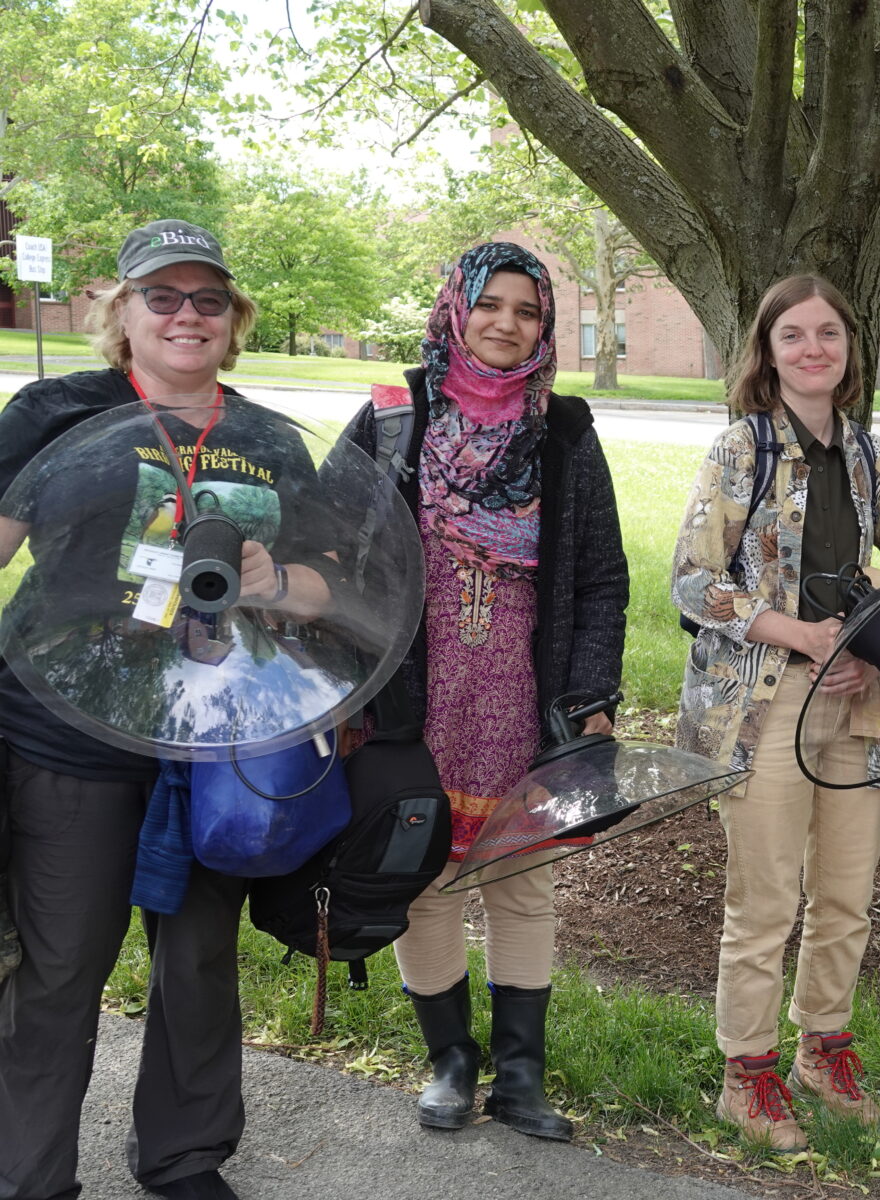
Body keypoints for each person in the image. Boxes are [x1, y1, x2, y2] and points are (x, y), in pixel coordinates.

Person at [0, 219, 337, 1200]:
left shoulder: (272, 441)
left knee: (196, 966)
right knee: (60, 973)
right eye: (164, 296)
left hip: (213, 744)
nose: (186, 316)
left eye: (208, 300)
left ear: (234, 320)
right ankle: (30, 1178)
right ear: (123, 309)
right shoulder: (58, 412)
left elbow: (339, 591)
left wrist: (281, 580)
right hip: (64, 736)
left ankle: (186, 1161)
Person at [333, 241, 628, 1141]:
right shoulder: (394, 416)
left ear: (545, 327)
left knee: (521, 885)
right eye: (491, 304)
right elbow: (327, 553)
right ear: (457, 309)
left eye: (528, 311)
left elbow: (603, 580)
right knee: (425, 882)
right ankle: (451, 1064)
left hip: (522, 692)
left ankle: (522, 1077)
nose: (506, 323)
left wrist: (587, 697)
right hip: (414, 695)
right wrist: (348, 691)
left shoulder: (566, 430)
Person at [671, 275, 880, 1151]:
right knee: (765, 900)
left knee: (846, 894)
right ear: (767, 351)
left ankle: (824, 1049)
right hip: (761, 702)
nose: (813, 348)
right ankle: (746, 1074)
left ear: (850, 349)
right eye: (794, 335)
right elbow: (693, 581)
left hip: (854, 704)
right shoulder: (740, 450)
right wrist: (800, 634)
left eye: (829, 333)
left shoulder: (870, 455)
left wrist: (870, 640)